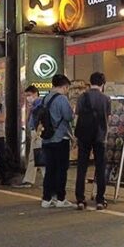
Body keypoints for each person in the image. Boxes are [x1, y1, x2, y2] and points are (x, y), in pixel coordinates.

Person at [75, 72, 112, 210]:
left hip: (84, 136)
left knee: (82, 167)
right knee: (100, 168)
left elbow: (76, 116)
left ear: (90, 82)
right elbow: (107, 120)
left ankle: (80, 199)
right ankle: (100, 200)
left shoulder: (82, 97)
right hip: (100, 136)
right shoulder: (106, 99)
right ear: (103, 84)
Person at [40, 75, 75, 208]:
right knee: (61, 169)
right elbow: (68, 117)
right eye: (67, 88)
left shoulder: (45, 98)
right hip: (60, 138)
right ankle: (61, 198)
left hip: (47, 138)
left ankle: (47, 198)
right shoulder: (62, 99)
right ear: (64, 86)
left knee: (49, 169)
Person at [21, 86, 43, 188]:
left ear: (35, 94)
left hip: (38, 133)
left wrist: (38, 132)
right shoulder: (33, 105)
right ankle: (29, 179)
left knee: (39, 156)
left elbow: (41, 119)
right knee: (34, 156)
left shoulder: (39, 104)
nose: (27, 98)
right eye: (26, 96)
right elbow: (28, 119)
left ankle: (31, 180)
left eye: (29, 95)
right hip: (34, 131)